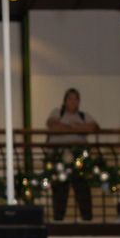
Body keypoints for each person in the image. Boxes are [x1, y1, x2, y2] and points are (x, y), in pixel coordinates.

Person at [45, 88, 99, 222]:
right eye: (70, 98)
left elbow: (93, 127)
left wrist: (67, 127)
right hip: (58, 157)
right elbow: (53, 126)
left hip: (79, 158)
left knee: (82, 189)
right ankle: (59, 219)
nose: (73, 102)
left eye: (76, 99)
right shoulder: (57, 112)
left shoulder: (83, 115)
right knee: (60, 190)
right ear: (65, 100)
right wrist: (77, 128)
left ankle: (87, 219)